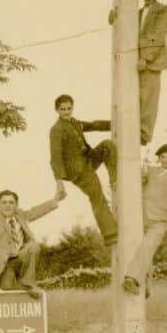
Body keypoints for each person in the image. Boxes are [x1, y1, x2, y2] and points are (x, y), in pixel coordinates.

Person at [109, 0, 167, 145]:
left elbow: (158, 36)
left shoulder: (163, 10)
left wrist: (146, 57)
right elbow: (126, 28)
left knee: (148, 99)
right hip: (135, 62)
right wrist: (114, 17)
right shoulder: (137, 13)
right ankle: (129, 130)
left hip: (151, 63)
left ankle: (143, 135)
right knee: (132, 97)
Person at [49, 94, 118, 247]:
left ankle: (114, 179)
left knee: (108, 145)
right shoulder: (56, 130)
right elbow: (55, 158)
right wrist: (59, 183)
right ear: (56, 110)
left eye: (69, 108)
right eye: (63, 109)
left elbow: (93, 125)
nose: (66, 112)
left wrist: (115, 123)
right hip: (78, 172)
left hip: (88, 160)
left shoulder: (74, 122)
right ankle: (110, 234)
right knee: (97, 196)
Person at [0, 189, 62, 297]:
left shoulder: (20, 215)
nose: (7, 206)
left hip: (21, 260)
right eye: (4, 202)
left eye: (11, 202)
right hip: (3, 267)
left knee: (34, 246)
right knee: (10, 294)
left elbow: (36, 211)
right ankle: (21, 286)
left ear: (16, 205)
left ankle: (27, 283)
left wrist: (55, 200)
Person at [123, 143, 167, 296]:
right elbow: (138, 181)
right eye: (162, 157)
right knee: (142, 250)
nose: (165, 160)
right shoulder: (151, 171)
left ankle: (131, 279)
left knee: (147, 247)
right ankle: (146, 286)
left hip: (160, 221)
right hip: (141, 217)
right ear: (158, 159)